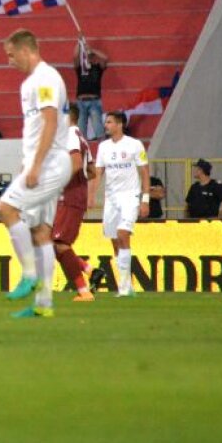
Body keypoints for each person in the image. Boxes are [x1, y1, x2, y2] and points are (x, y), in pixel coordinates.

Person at [0, 29, 73, 319]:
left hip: (50, 164)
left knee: (6, 209)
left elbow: (51, 122)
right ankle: (44, 304)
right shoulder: (31, 83)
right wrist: (28, 163)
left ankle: (29, 275)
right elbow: (36, 129)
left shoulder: (46, 79)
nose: (9, 61)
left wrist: (37, 165)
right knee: (41, 233)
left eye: (11, 55)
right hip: (41, 163)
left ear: (26, 50)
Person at [91, 111, 150, 298]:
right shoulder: (103, 147)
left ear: (119, 124)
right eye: (106, 122)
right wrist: (90, 195)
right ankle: (126, 285)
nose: (106, 125)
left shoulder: (134, 145)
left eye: (109, 122)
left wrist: (145, 200)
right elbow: (98, 172)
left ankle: (125, 288)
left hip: (130, 196)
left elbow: (145, 173)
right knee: (115, 241)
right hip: (111, 199)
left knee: (123, 232)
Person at [50, 105, 95, 301]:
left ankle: (84, 291)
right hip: (73, 195)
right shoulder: (81, 137)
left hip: (69, 196)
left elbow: (76, 163)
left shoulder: (69, 134)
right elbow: (91, 171)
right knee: (53, 243)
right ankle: (87, 269)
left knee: (59, 244)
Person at [73, 37, 109, 140]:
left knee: (99, 130)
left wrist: (92, 50)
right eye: (88, 56)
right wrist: (79, 43)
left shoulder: (98, 68)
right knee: (80, 133)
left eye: (91, 56)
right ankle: (82, 154)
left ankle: (104, 153)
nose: (89, 58)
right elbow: (75, 57)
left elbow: (105, 58)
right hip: (80, 102)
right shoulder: (80, 68)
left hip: (94, 101)